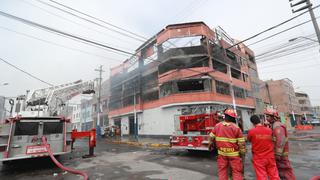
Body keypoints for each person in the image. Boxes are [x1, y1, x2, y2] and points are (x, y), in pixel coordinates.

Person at [209, 108, 246, 180]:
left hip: (222, 154)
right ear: (233, 118)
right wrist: (242, 153)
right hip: (234, 155)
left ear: (225, 116)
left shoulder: (217, 126)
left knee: (222, 171)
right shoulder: (236, 128)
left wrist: (210, 145)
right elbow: (241, 143)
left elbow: (211, 138)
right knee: (236, 172)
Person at [265, 109, 296, 180]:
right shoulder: (273, 125)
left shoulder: (277, 126)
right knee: (281, 172)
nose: (266, 118)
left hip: (281, 155)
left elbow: (281, 141)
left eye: (268, 116)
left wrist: (278, 154)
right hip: (279, 154)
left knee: (286, 171)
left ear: (274, 117)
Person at [247, 115, 280, 180]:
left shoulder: (251, 131)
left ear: (252, 123)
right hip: (270, 157)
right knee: (274, 175)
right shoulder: (269, 130)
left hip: (259, 158)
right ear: (260, 120)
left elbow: (248, 140)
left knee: (261, 176)